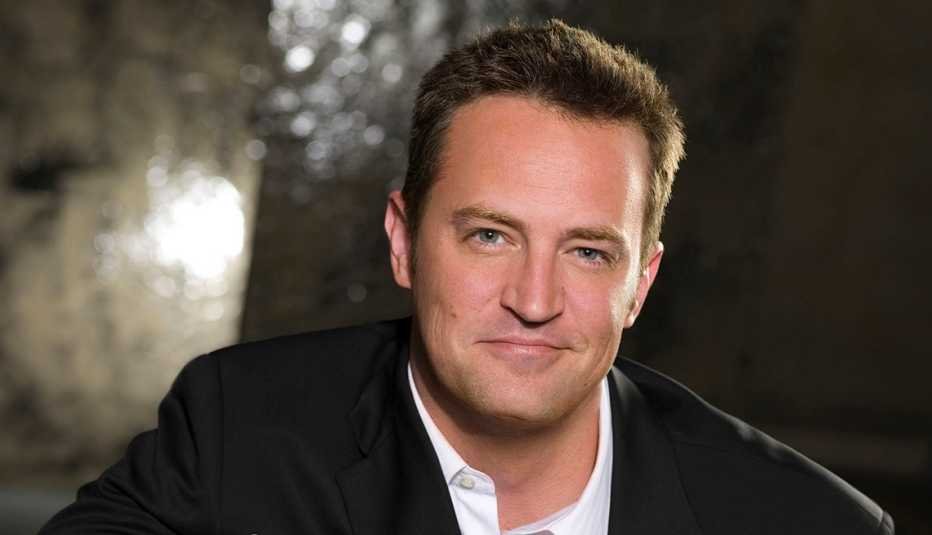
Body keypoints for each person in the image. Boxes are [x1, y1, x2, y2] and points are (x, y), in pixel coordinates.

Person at [41, 19, 893, 535]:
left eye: (588, 251)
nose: (534, 300)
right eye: (490, 236)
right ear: (403, 242)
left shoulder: (806, 521)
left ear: (641, 281)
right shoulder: (240, 434)